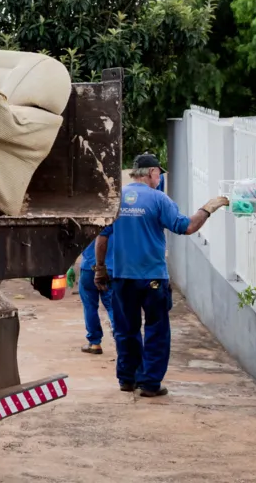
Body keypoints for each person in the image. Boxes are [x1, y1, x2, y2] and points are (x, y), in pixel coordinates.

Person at [94, 153, 228, 397]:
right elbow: (186, 227)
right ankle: (150, 383)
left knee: (126, 328)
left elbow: (102, 237)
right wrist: (207, 209)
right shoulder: (158, 198)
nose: (159, 178)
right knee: (156, 328)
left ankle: (127, 379)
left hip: (123, 276)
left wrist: (100, 269)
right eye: (159, 174)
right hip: (153, 277)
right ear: (152, 172)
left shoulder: (116, 198)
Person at [79, 238, 116, 354]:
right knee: (113, 306)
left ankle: (95, 343)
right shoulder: (119, 221)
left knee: (90, 306)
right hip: (112, 268)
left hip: (89, 267)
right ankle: (121, 341)